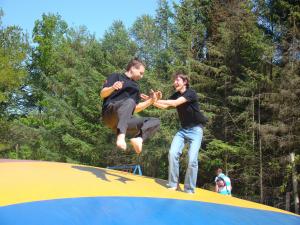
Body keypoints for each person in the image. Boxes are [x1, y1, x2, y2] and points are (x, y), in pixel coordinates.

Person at [151, 72, 207, 194]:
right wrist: (152, 102)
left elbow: (174, 103)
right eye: (174, 80)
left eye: (177, 80)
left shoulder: (191, 93)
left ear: (185, 82)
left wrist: (156, 99)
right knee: (172, 153)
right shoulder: (176, 94)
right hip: (183, 130)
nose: (175, 82)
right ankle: (173, 184)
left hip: (196, 130)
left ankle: (189, 189)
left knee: (192, 159)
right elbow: (165, 106)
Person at [100, 58, 160, 154]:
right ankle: (120, 136)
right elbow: (102, 94)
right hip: (110, 113)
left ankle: (139, 139)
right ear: (132, 68)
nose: (142, 76)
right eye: (141, 73)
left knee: (155, 121)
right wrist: (112, 88)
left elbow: (134, 109)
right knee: (130, 102)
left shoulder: (136, 87)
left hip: (123, 120)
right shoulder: (116, 76)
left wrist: (151, 101)